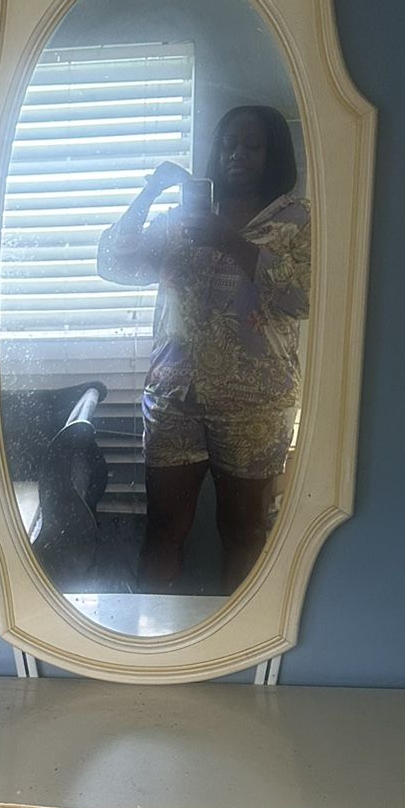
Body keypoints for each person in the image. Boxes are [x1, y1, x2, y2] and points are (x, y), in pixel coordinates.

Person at [97, 105, 310, 594]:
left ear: (272, 152)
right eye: (228, 144)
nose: (237, 154)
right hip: (175, 395)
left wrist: (232, 242)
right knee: (164, 529)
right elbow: (114, 263)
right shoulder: (181, 219)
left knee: (245, 531)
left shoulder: (297, 219)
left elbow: (304, 296)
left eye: (251, 145)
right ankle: (155, 651)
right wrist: (150, 191)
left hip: (255, 401)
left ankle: (238, 651)